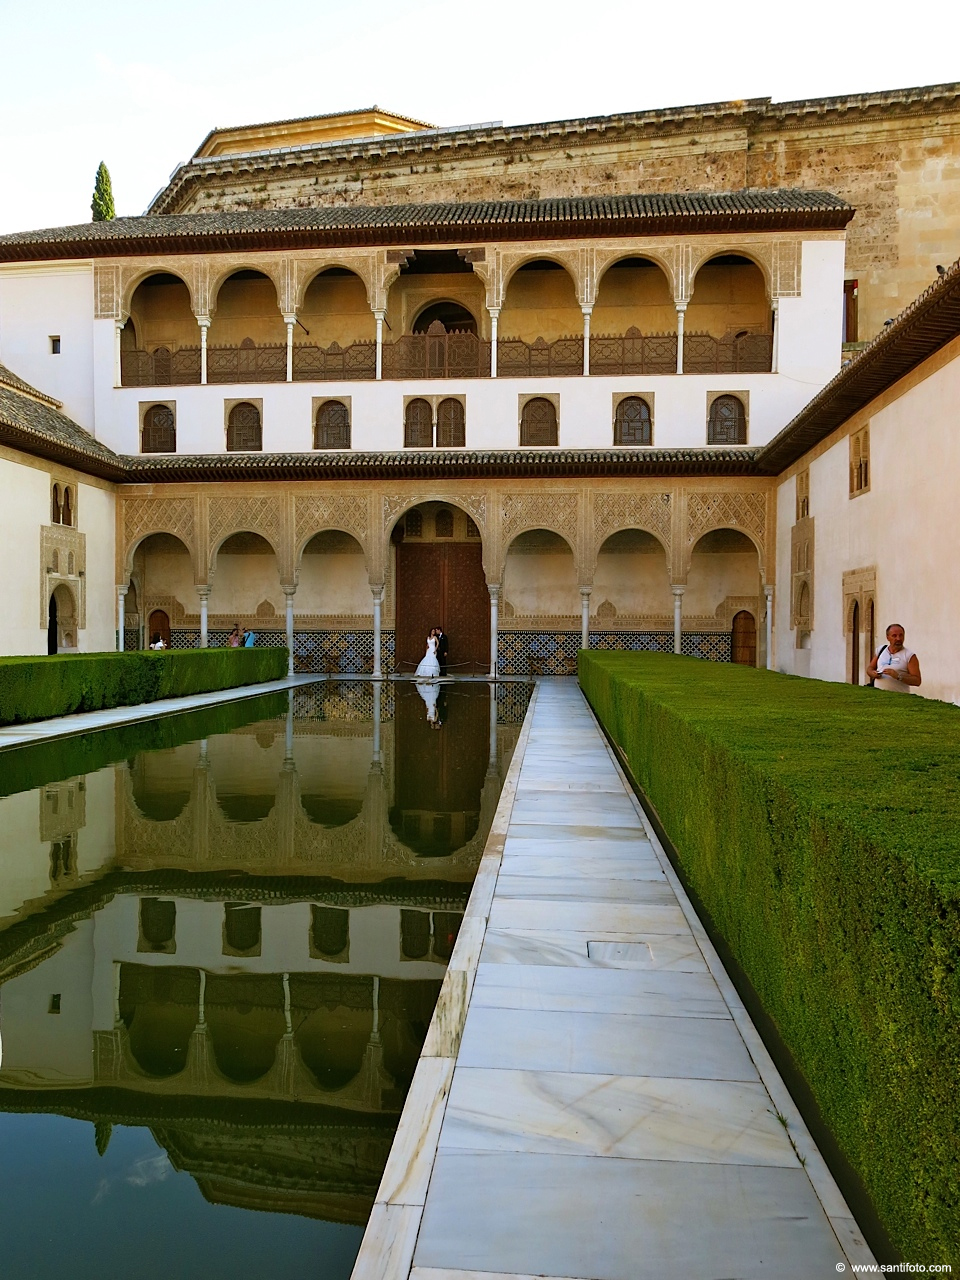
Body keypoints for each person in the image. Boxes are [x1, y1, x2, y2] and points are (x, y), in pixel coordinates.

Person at [866, 623, 922, 693]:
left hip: (898, 699)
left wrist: (898, 676)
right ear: (888, 637)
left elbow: (917, 681)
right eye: (894, 636)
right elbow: (870, 668)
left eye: (901, 635)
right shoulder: (881, 650)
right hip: (879, 697)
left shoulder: (909, 656)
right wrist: (873, 673)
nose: (898, 639)